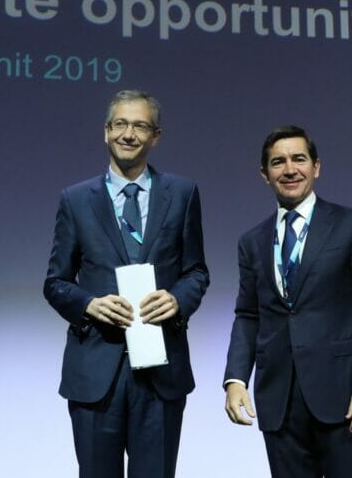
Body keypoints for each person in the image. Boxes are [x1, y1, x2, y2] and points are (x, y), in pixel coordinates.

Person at [44, 90, 209, 478]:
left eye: (140, 126)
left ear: (156, 136)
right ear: (106, 132)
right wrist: (88, 305)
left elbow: (197, 272)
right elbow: (55, 282)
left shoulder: (182, 194)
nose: (128, 134)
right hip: (96, 371)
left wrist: (177, 299)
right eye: (120, 124)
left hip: (160, 371)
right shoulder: (76, 199)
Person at [223, 125, 352, 478]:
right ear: (265, 174)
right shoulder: (252, 241)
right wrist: (236, 379)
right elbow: (248, 314)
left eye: (299, 159)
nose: (289, 169)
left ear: (316, 167)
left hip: (345, 398)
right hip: (279, 403)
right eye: (278, 162)